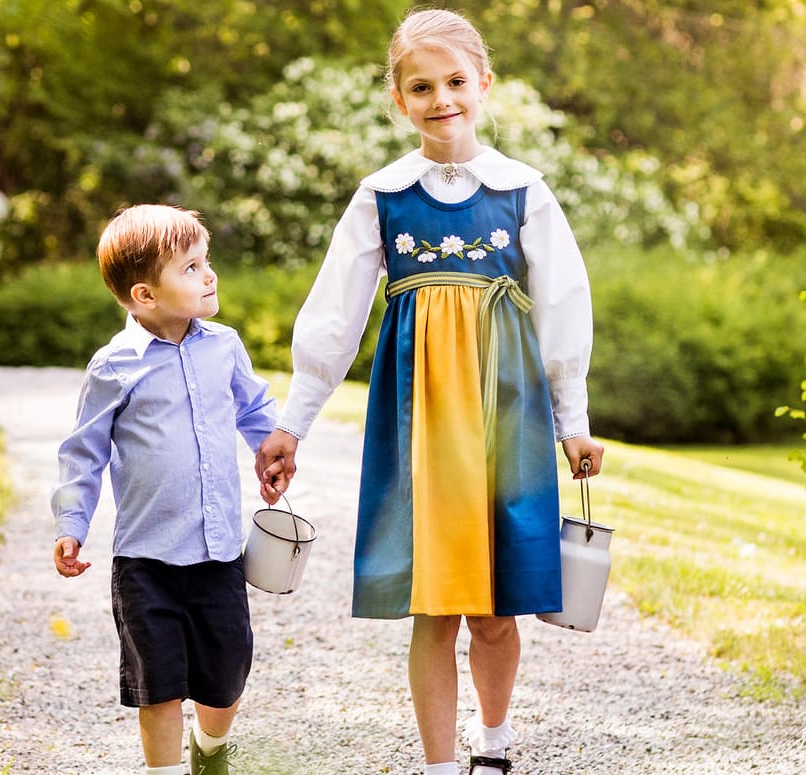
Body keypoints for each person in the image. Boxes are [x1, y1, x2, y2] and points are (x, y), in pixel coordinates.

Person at [256, 7, 604, 774]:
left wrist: (572, 421)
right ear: (398, 99)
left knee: (494, 606)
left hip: (503, 413)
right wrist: (293, 424)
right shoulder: (381, 194)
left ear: (484, 83)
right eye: (422, 86)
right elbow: (333, 321)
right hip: (416, 418)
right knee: (434, 600)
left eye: (454, 81)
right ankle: (441, 764)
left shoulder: (524, 191)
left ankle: (494, 743)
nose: (441, 97)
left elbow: (563, 310)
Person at [51, 204, 279, 775]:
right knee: (158, 686)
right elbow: (84, 451)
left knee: (227, 678)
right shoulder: (114, 366)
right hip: (146, 558)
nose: (210, 275)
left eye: (207, 262)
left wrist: (271, 450)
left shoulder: (223, 345)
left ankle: (209, 747)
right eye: (192, 267)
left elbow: (254, 408)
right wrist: (71, 525)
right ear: (145, 294)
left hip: (219, 551)